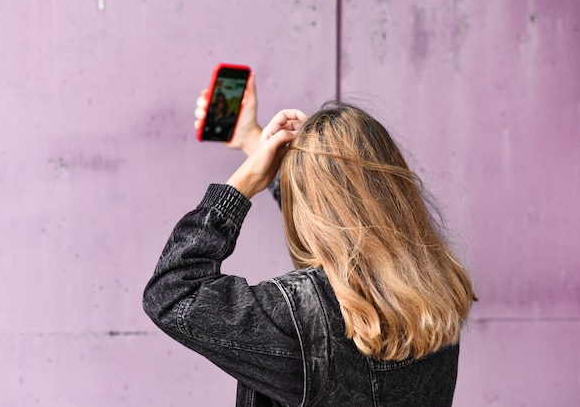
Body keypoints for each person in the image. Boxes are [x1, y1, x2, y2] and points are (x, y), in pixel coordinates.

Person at [143, 73, 477, 406]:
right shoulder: (440, 289)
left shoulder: (298, 317)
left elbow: (172, 293)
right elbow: (337, 214)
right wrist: (250, 139)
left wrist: (243, 181)